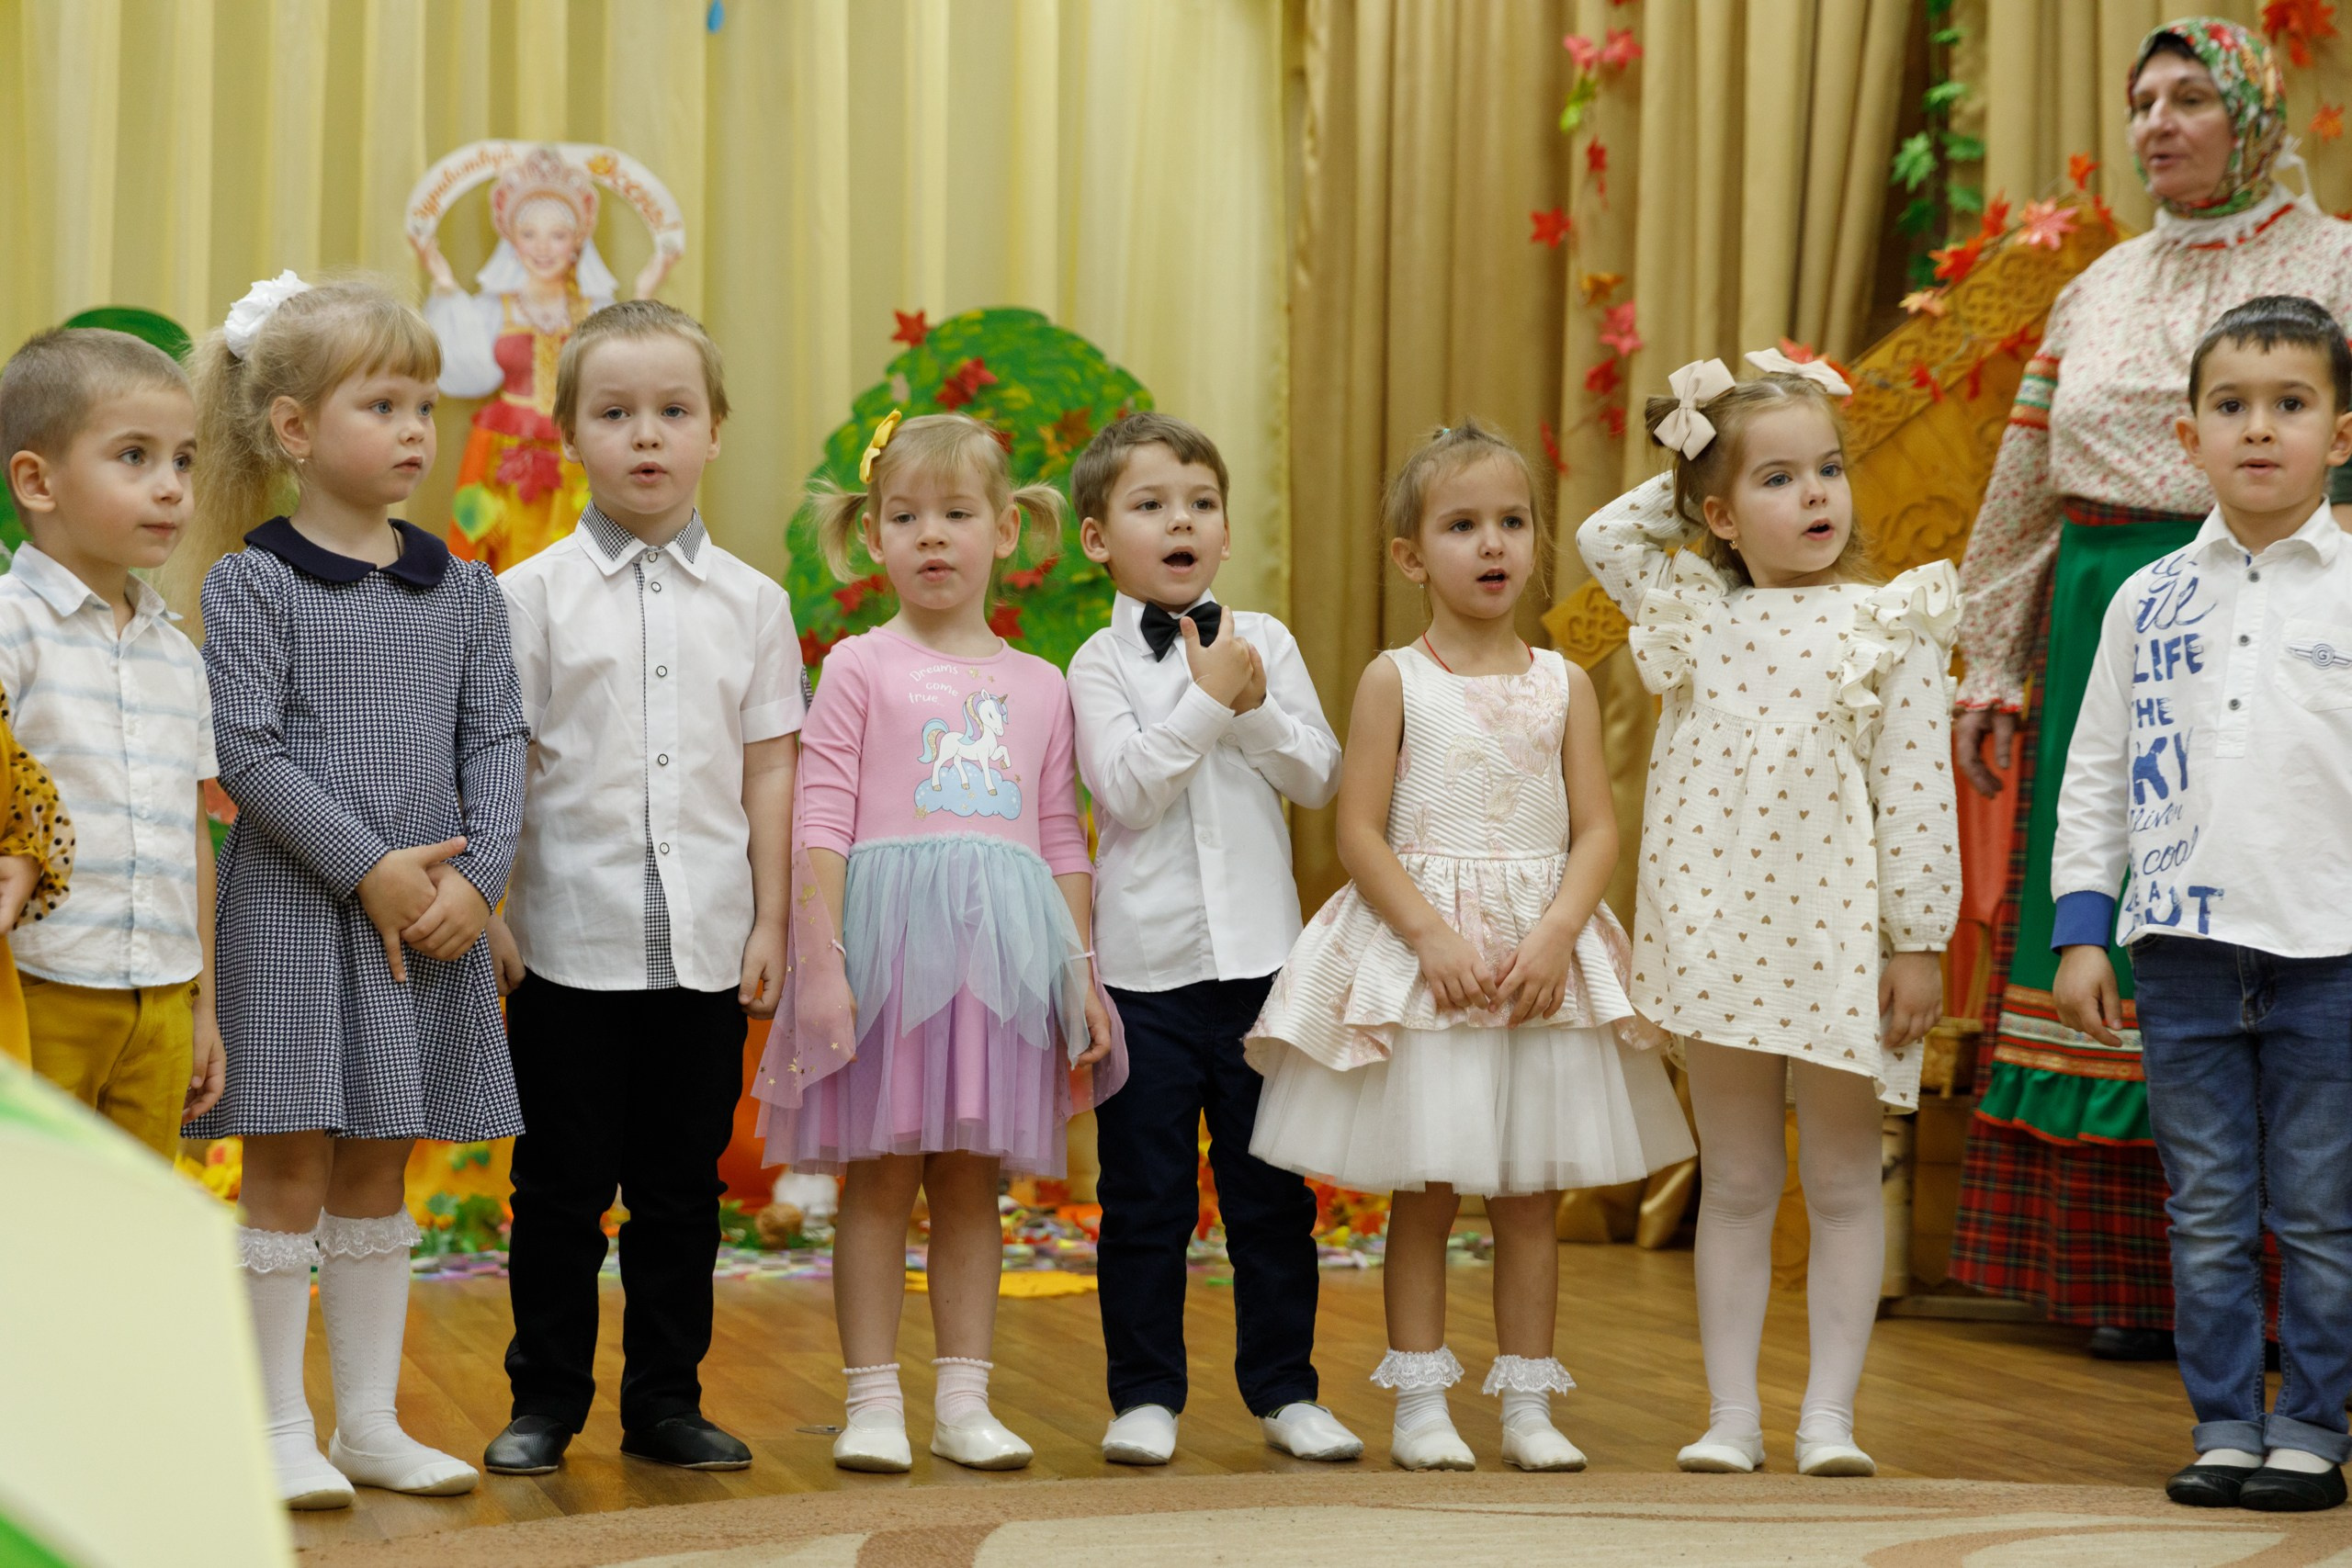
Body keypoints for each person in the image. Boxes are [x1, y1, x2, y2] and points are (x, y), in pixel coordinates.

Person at [1950, 16, 2352, 1360]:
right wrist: (1988, 654)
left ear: (2250, 111)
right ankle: (2132, 1282)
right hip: (2109, 615)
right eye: (2142, 103)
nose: (2159, 124)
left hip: (2289, 611)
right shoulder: (2100, 284)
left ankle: (2296, 1312)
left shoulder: (2335, 262)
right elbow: (2023, 487)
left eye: (2189, 98)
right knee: (2119, 919)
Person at [1248, 420, 1692, 1473]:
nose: (1491, 544)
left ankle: (1529, 1406)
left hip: (1539, 966)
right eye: (1461, 526)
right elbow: (1357, 829)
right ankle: (1420, 1403)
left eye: (1510, 522)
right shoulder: (1394, 679)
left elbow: (1594, 827)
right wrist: (1430, 936)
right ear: (1411, 557)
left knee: (1532, 1191)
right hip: (1431, 963)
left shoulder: (1566, 683)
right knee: (1429, 1183)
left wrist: (1555, 934)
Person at [182, 275, 529, 1509]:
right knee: (287, 1167)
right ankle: (276, 1425)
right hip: (293, 914)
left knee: (380, 1162)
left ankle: (371, 1421)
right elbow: (251, 749)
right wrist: (370, 867)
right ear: (292, 429)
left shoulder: (466, 586)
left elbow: (496, 741)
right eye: (381, 401)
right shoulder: (250, 584)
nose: (414, 428)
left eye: (422, 402)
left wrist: (477, 884)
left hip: (428, 925)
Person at [1579, 355, 1961, 1477]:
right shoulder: (1693, 607)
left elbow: (1916, 794)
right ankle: (1731, 1416)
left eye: (1829, 470)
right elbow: (1609, 536)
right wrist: (1703, 433)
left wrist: (1918, 942)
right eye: (1778, 478)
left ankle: (1828, 1419)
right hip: (1715, 942)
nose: (1815, 497)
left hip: (1839, 949)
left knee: (1844, 1185)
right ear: (1716, 513)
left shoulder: (1890, 621)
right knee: (1738, 1185)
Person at [752, 411, 1125, 1475]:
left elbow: (1062, 836)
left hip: (999, 965)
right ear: (870, 535)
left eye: (956, 514)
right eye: (904, 516)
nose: (931, 536)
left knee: (971, 1184)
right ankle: (873, 1400)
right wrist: (823, 964)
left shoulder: (1041, 684)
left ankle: (965, 1398)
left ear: (1007, 530)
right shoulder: (861, 667)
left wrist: (1078, 975)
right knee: (878, 1179)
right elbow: (819, 816)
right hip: (883, 957)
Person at [480, 300, 803, 1477]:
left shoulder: (754, 605)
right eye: (615, 414)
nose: (646, 437)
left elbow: (771, 766)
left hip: (707, 944)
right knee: (558, 1190)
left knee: (680, 1193)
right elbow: (498, 759)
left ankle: (666, 1400)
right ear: (570, 433)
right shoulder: (527, 596)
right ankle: (545, 1403)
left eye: (674, 411)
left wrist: (773, 918)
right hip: (568, 942)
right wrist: (495, 902)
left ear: (716, 429)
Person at [2050, 295, 2352, 1514]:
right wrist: (2082, 924)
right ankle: (2226, 1419)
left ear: (2340, 433)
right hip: (2179, 953)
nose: (2259, 428)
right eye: (2231, 406)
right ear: (2189, 437)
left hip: (2328, 952)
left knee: (2325, 1211)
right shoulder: (2148, 599)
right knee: (2210, 1206)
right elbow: (2094, 765)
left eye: (2290, 403)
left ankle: (2314, 1423)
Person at [1065, 412, 1360, 1468]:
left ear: (1226, 531)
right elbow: (1130, 794)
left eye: (1199, 503)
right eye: (1150, 505)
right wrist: (1201, 705)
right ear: (1100, 538)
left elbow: (1321, 779)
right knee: (1143, 1197)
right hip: (1146, 978)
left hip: (1264, 976)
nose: (1179, 521)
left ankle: (1286, 1392)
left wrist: (1252, 706)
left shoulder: (1265, 640)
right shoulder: (1095, 664)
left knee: (1270, 1196)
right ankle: (1144, 1395)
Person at [0, 329, 216, 1141]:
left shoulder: (178, 653)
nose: (171, 488)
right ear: (37, 480)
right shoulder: (10, 626)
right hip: (39, 989)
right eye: (135, 457)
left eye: (184, 460)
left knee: (133, 1241)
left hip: (159, 1003)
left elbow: (191, 832)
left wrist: (203, 1003)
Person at [414, 146, 676, 573]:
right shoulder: (493, 308)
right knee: (496, 551)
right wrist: (443, 283)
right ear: (512, 239)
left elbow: (630, 362)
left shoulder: (596, 308)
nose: (543, 247)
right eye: (529, 234)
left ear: (577, 242)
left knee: (580, 559)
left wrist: (646, 292)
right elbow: (465, 372)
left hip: (577, 452)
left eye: (557, 235)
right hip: (502, 447)